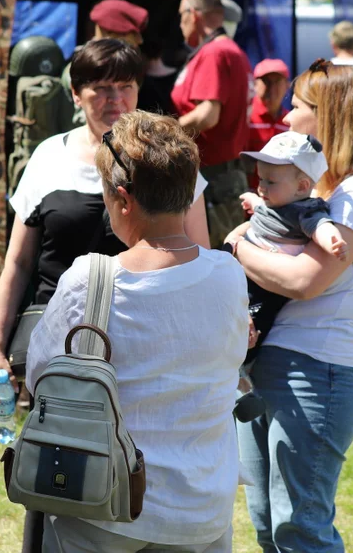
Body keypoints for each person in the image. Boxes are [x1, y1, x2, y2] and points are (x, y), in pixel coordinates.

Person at [26, 110, 248, 552]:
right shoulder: (229, 274)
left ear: (123, 199)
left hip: (101, 502)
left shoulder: (89, 279)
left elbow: (41, 377)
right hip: (200, 509)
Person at [226, 59, 353, 553]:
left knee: (300, 529)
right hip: (279, 367)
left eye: (298, 107)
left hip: (317, 370)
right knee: (268, 523)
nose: (285, 118)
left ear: (329, 117)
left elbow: (303, 280)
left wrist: (237, 247)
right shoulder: (323, 191)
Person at [0, 39, 209, 405]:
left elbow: (198, 259)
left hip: (144, 346)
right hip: (57, 346)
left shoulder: (172, 163)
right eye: (101, 88)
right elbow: (18, 264)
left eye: (125, 87)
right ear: (75, 93)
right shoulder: (48, 156)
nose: (114, 99)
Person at [237, 131, 349, 363]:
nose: (261, 187)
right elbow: (266, 211)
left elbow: (320, 226)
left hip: (266, 283)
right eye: (260, 179)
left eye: (270, 182)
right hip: (245, 268)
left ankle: (244, 360)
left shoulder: (305, 210)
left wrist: (333, 241)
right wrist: (255, 202)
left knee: (254, 320)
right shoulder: (277, 201)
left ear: (302, 187)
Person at [172, 0, 254, 248]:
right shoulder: (229, 50)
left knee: (215, 261)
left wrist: (161, 131)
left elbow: (208, 115)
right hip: (220, 178)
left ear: (193, 15)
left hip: (214, 180)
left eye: (181, 15)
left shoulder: (215, 52)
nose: (180, 23)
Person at [63, 0, 150, 125]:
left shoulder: (129, 65)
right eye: (132, 33)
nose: (140, 40)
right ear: (110, 34)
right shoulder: (82, 68)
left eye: (125, 86)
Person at [246, 59, 292, 189]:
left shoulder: (289, 121)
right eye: (266, 81)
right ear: (255, 84)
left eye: (277, 81)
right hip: (247, 194)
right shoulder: (246, 116)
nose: (271, 88)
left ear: (287, 86)